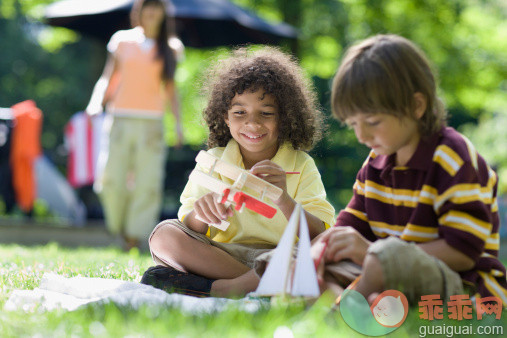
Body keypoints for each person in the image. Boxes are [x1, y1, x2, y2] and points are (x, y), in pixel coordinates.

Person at [311, 34, 507, 305]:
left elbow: (463, 251)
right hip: (385, 272)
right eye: (353, 124)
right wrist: (325, 247)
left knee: (383, 260)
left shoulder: (452, 158)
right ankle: (360, 299)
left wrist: (373, 253)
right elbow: (352, 224)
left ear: (416, 106)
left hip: (461, 284)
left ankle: (344, 309)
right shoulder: (376, 162)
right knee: (301, 257)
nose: (361, 135)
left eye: (372, 121)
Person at [141, 46, 336, 297]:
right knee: (164, 235)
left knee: (322, 251)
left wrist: (283, 200)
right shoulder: (213, 161)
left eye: (266, 113)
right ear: (225, 117)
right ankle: (258, 285)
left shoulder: (301, 164)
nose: (252, 123)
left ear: (284, 117)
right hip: (222, 255)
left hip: (280, 255)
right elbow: (189, 225)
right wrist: (203, 213)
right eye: (240, 112)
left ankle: (224, 288)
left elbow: (318, 233)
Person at [85, 0, 184, 250]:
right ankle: (117, 227)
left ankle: (133, 237)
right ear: (139, 11)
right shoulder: (121, 40)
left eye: (157, 6)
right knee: (110, 179)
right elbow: (109, 76)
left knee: (147, 183)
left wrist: (179, 125)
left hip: (152, 123)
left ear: (163, 13)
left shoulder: (171, 47)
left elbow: (171, 90)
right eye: (147, 5)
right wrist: (96, 103)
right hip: (119, 119)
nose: (152, 11)